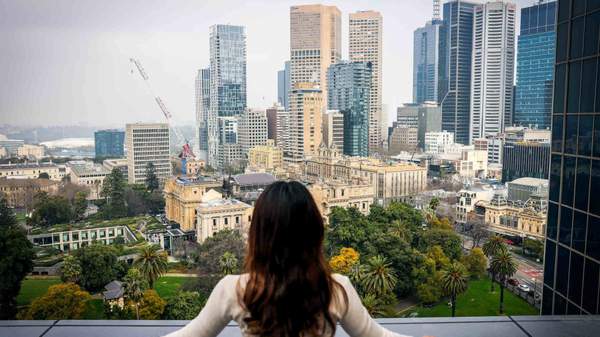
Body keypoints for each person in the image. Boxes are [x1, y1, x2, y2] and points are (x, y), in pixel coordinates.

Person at [163, 181, 419, 337]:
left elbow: (190, 335)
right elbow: (377, 336)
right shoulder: (336, 289)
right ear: (314, 231)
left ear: (259, 233)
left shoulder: (235, 289)